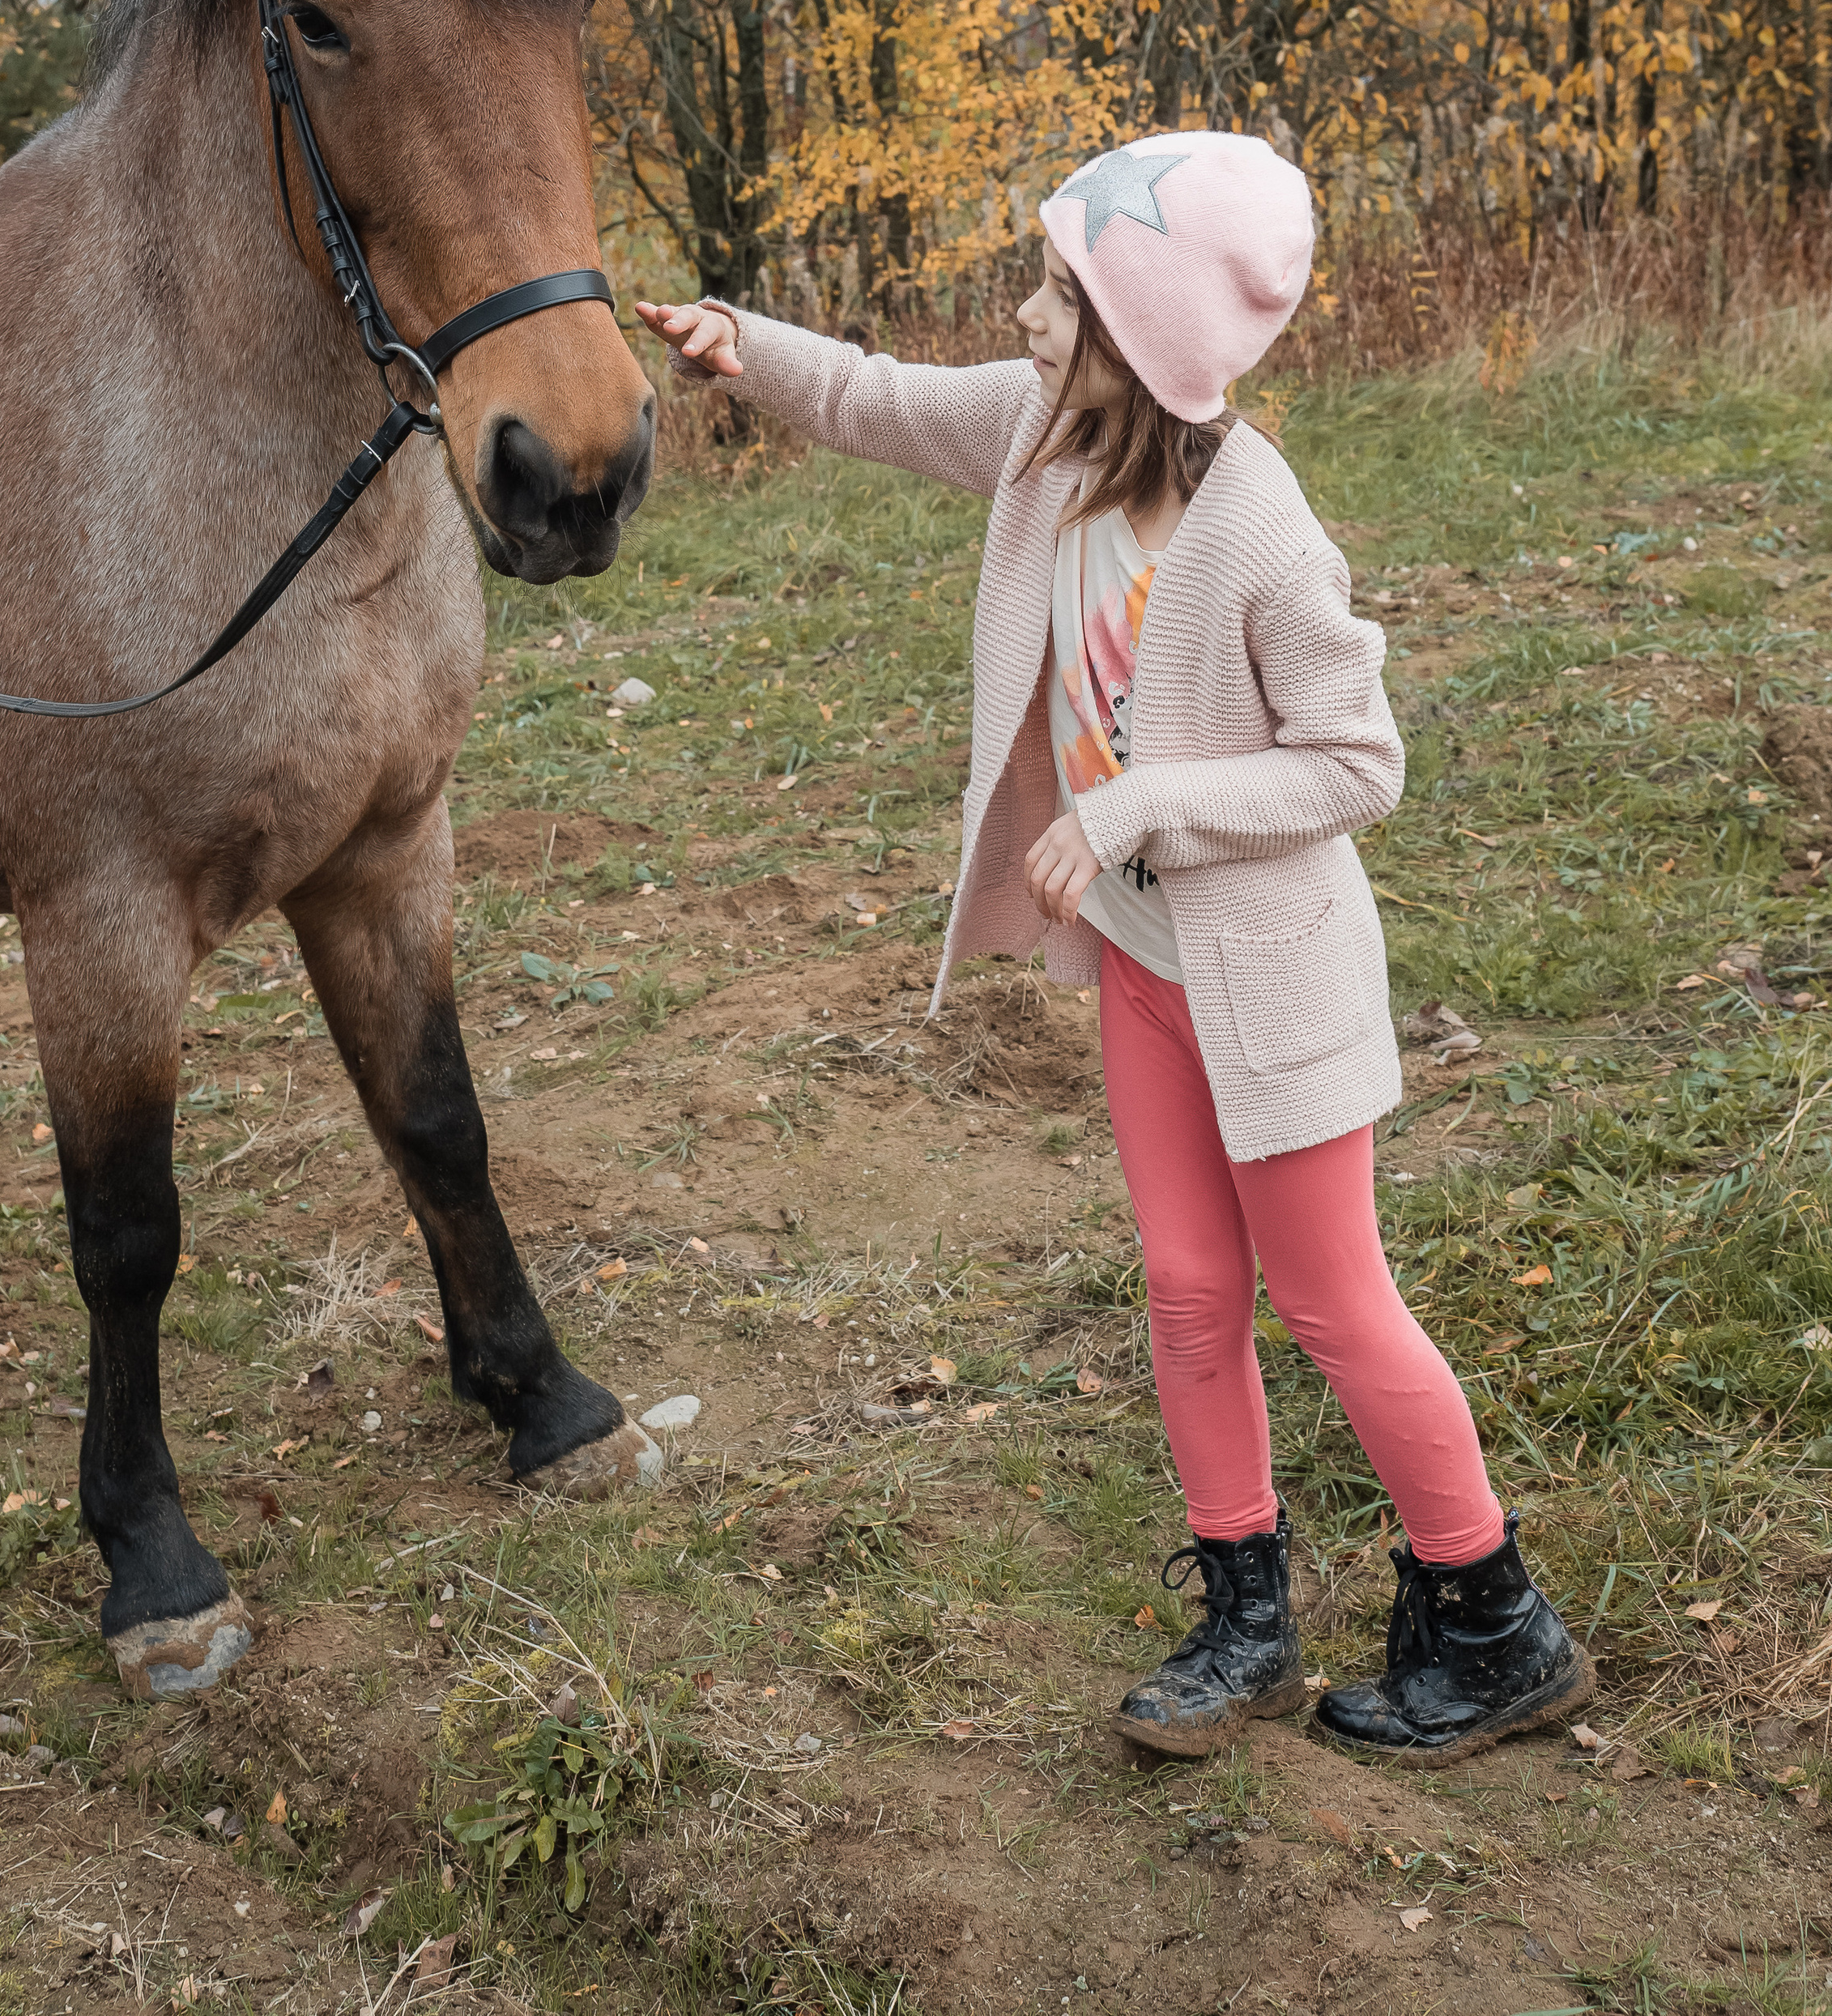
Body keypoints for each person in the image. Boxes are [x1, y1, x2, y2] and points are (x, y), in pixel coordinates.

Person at [636, 132, 1592, 1769]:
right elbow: (873, 397)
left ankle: (1494, 1615)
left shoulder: (1261, 536)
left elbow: (1359, 764)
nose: (1018, 315)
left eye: (1054, 295)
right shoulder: (1038, 439)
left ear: (1137, 343)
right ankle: (1246, 1610)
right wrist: (746, 343)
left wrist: (1144, 795)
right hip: (1149, 974)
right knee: (1184, 1285)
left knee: (1335, 1301)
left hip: (1269, 983)